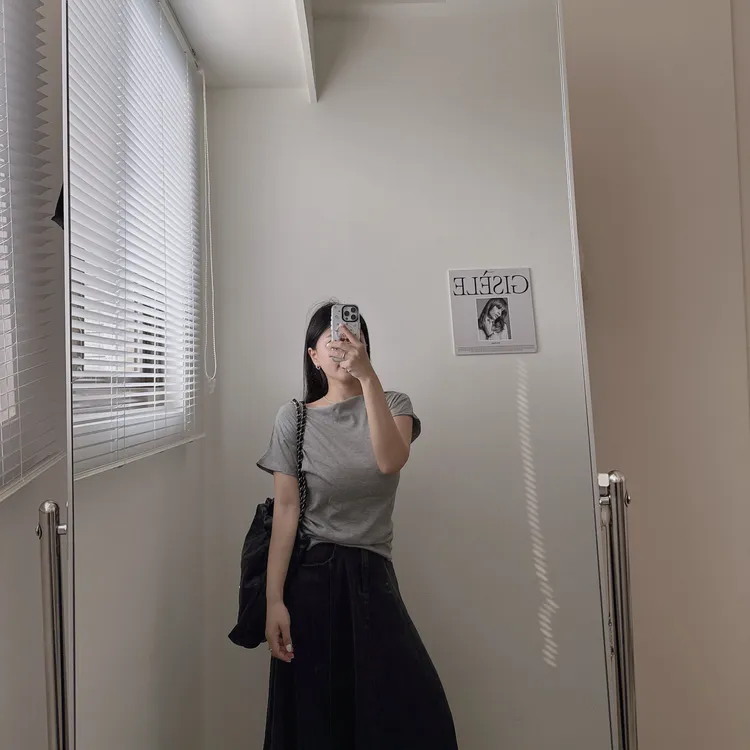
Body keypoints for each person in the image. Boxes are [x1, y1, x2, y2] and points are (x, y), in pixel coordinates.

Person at [258, 301, 458, 750]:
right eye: (330, 340)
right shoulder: (294, 418)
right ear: (313, 356)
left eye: (350, 337)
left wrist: (368, 377)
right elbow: (287, 511)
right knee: (317, 723)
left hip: (372, 575)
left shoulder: (394, 404)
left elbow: (389, 461)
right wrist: (274, 600)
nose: (341, 345)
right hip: (312, 579)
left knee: (412, 714)